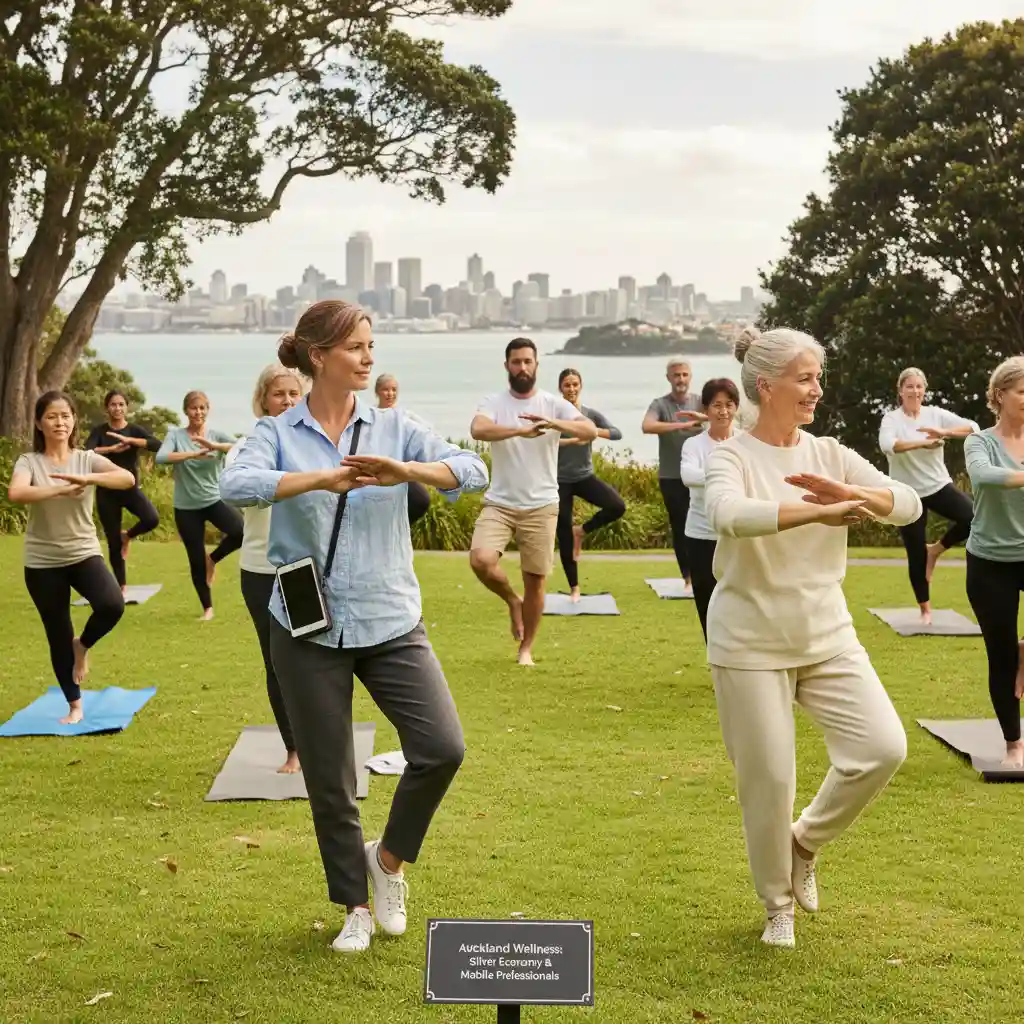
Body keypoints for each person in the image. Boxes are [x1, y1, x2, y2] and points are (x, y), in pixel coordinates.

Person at [220, 300, 487, 955]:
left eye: (371, 345)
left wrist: (406, 471)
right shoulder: (277, 431)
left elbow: (472, 471)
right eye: (356, 347)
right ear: (319, 356)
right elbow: (236, 484)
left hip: (391, 617)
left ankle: (387, 861)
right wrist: (319, 479)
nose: (369, 357)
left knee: (442, 748)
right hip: (305, 625)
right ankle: (355, 907)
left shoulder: (395, 426)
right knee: (330, 777)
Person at [704, 326, 920, 949]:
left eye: (818, 378)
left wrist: (854, 493)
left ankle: (804, 843)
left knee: (882, 747)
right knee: (769, 783)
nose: (817, 390)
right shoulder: (731, 456)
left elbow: (907, 502)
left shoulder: (829, 453)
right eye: (805, 379)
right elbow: (728, 515)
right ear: (766, 386)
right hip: (749, 640)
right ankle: (778, 907)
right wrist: (819, 512)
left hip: (827, 634)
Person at [7, 391, 135, 724]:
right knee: (58, 631)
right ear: (39, 423)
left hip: (83, 552)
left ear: (74, 420)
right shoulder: (29, 462)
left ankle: (83, 645)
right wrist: (61, 489)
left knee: (112, 605)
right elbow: (17, 492)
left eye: (65, 415)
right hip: (42, 561)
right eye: (51, 416)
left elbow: (127, 478)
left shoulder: (85, 459)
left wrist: (88, 478)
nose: (60, 422)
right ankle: (75, 705)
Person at [468, 339, 597, 665]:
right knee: (481, 560)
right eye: (516, 362)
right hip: (500, 503)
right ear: (507, 366)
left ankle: (525, 648)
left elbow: (589, 430)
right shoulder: (494, 402)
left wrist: (555, 424)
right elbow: (478, 429)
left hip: (541, 505)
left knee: (536, 580)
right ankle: (513, 600)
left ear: (536, 365)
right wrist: (518, 431)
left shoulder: (553, 404)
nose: (522, 367)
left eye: (528, 361)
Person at [226, 365, 306, 774]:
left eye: (294, 394)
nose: (287, 401)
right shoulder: (244, 448)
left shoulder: (314, 445)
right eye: (279, 394)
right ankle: (294, 748)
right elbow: (242, 494)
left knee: (316, 660)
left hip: (304, 568)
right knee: (276, 661)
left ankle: (322, 742)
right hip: (260, 569)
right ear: (263, 400)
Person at [878, 367, 978, 623]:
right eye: (910, 386)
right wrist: (924, 443)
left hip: (937, 485)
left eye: (919, 386)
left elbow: (973, 428)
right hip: (907, 493)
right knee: (915, 553)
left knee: (973, 517)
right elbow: (888, 445)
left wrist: (944, 432)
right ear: (901, 391)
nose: (915, 391)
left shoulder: (935, 415)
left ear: (925, 390)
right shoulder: (892, 419)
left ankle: (936, 550)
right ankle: (925, 610)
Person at [963, 355, 1024, 769]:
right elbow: (984, 477)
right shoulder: (979, 442)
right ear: (1000, 395)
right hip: (990, 562)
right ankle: (1014, 744)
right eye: (1021, 391)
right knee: (1000, 657)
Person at [156, 391, 243, 621]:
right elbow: (161, 457)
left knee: (241, 531)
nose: (198, 412)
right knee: (195, 558)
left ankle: (212, 559)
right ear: (186, 411)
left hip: (214, 499)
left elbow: (242, 448)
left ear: (208, 410)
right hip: (186, 507)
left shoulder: (215, 435)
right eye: (193, 408)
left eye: (202, 408)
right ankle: (207, 608)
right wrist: (193, 454)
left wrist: (215, 446)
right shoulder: (176, 436)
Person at [555, 368, 626, 601]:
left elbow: (616, 433)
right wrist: (575, 440)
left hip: (585, 477)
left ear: (581, 386)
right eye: (567, 385)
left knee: (617, 506)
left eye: (575, 384)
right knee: (563, 533)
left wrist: (592, 432)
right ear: (560, 388)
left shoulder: (588, 415)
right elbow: (542, 441)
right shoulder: (555, 416)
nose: (571, 389)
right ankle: (574, 588)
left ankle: (582, 531)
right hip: (559, 481)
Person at [84, 390, 162, 594]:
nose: (117, 408)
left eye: (121, 404)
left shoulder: (134, 430)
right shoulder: (100, 432)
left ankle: (128, 535)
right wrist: (110, 450)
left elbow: (157, 445)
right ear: (106, 408)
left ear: (127, 407)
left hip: (129, 488)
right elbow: (87, 452)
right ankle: (122, 587)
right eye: (113, 404)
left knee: (151, 518)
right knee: (113, 541)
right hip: (106, 491)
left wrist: (132, 442)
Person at [679, 378, 740, 641]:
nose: (723, 411)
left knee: (741, 603)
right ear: (706, 409)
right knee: (707, 605)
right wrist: (725, 475)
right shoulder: (694, 445)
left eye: (729, 404)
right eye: (717, 405)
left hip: (738, 534)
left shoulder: (746, 442)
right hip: (701, 536)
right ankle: (715, 657)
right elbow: (688, 476)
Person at [642, 358, 706, 596]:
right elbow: (647, 426)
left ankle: (705, 574)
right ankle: (687, 578)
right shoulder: (660, 404)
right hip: (671, 477)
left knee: (706, 525)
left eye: (684, 374)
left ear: (690, 377)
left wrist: (701, 420)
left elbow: (724, 418)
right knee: (680, 528)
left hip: (700, 476)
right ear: (668, 378)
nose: (681, 379)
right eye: (676, 375)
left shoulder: (700, 402)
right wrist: (681, 426)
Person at [375, 373, 431, 526]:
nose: (390, 394)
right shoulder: (370, 416)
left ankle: (397, 528)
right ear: (377, 392)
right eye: (386, 389)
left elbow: (427, 433)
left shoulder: (406, 416)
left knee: (421, 501)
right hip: (375, 473)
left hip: (400, 472)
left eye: (394, 390)